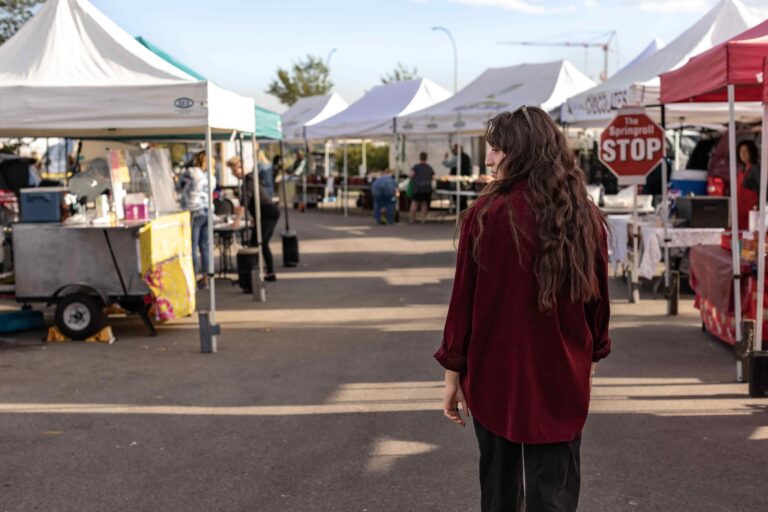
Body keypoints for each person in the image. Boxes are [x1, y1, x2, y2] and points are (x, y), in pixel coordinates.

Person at [435, 107, 611, 512]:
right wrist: (593, 352)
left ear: (522, 151)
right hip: (561, 370)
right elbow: (597, 300)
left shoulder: (486, 214)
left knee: (498, 492)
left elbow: (462, 303)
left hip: (494, 371)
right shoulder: (584, 217)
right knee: (555, 494)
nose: (489, 159)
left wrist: (452, 371)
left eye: (497, 149)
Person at [227, 156, 280, 281]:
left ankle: (254, 274)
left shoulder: (248, 181)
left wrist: (237, 220)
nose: (233, 173)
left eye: (234, 170)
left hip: (268, 214)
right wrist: (253, 217)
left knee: (257, 243)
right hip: (265, 214)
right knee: (259, 243)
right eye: (232, 171)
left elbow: (244, 203)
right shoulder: (249, 179)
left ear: (241, 167)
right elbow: (252, 202)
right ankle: (265, 273)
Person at [178, 151, 215, 284]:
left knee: (192, 246)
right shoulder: (211, 176)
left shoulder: (192, 172)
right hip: (208, 211)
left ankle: (193, 277)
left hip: (194, 210)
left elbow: (179, 186)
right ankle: (207, 277)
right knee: (204, 246)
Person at [736, 140, 759, 229]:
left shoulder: (756, 168)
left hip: (750, 212)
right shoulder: (742, 169)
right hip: (740, 211)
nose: (742, 154)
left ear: (751, 152)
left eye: (745, 151)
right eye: (741, 151)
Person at [409, 152, 435, 223]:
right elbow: (433, 177)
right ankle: (423, 219)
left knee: (414, 203)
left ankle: (412, 218)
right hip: (427, 188)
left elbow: (411, 175)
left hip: (417, 187)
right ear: (426, 158)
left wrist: (412, 180)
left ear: (419, 157)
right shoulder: (429, 167)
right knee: (424, 203)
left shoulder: (416, 167)